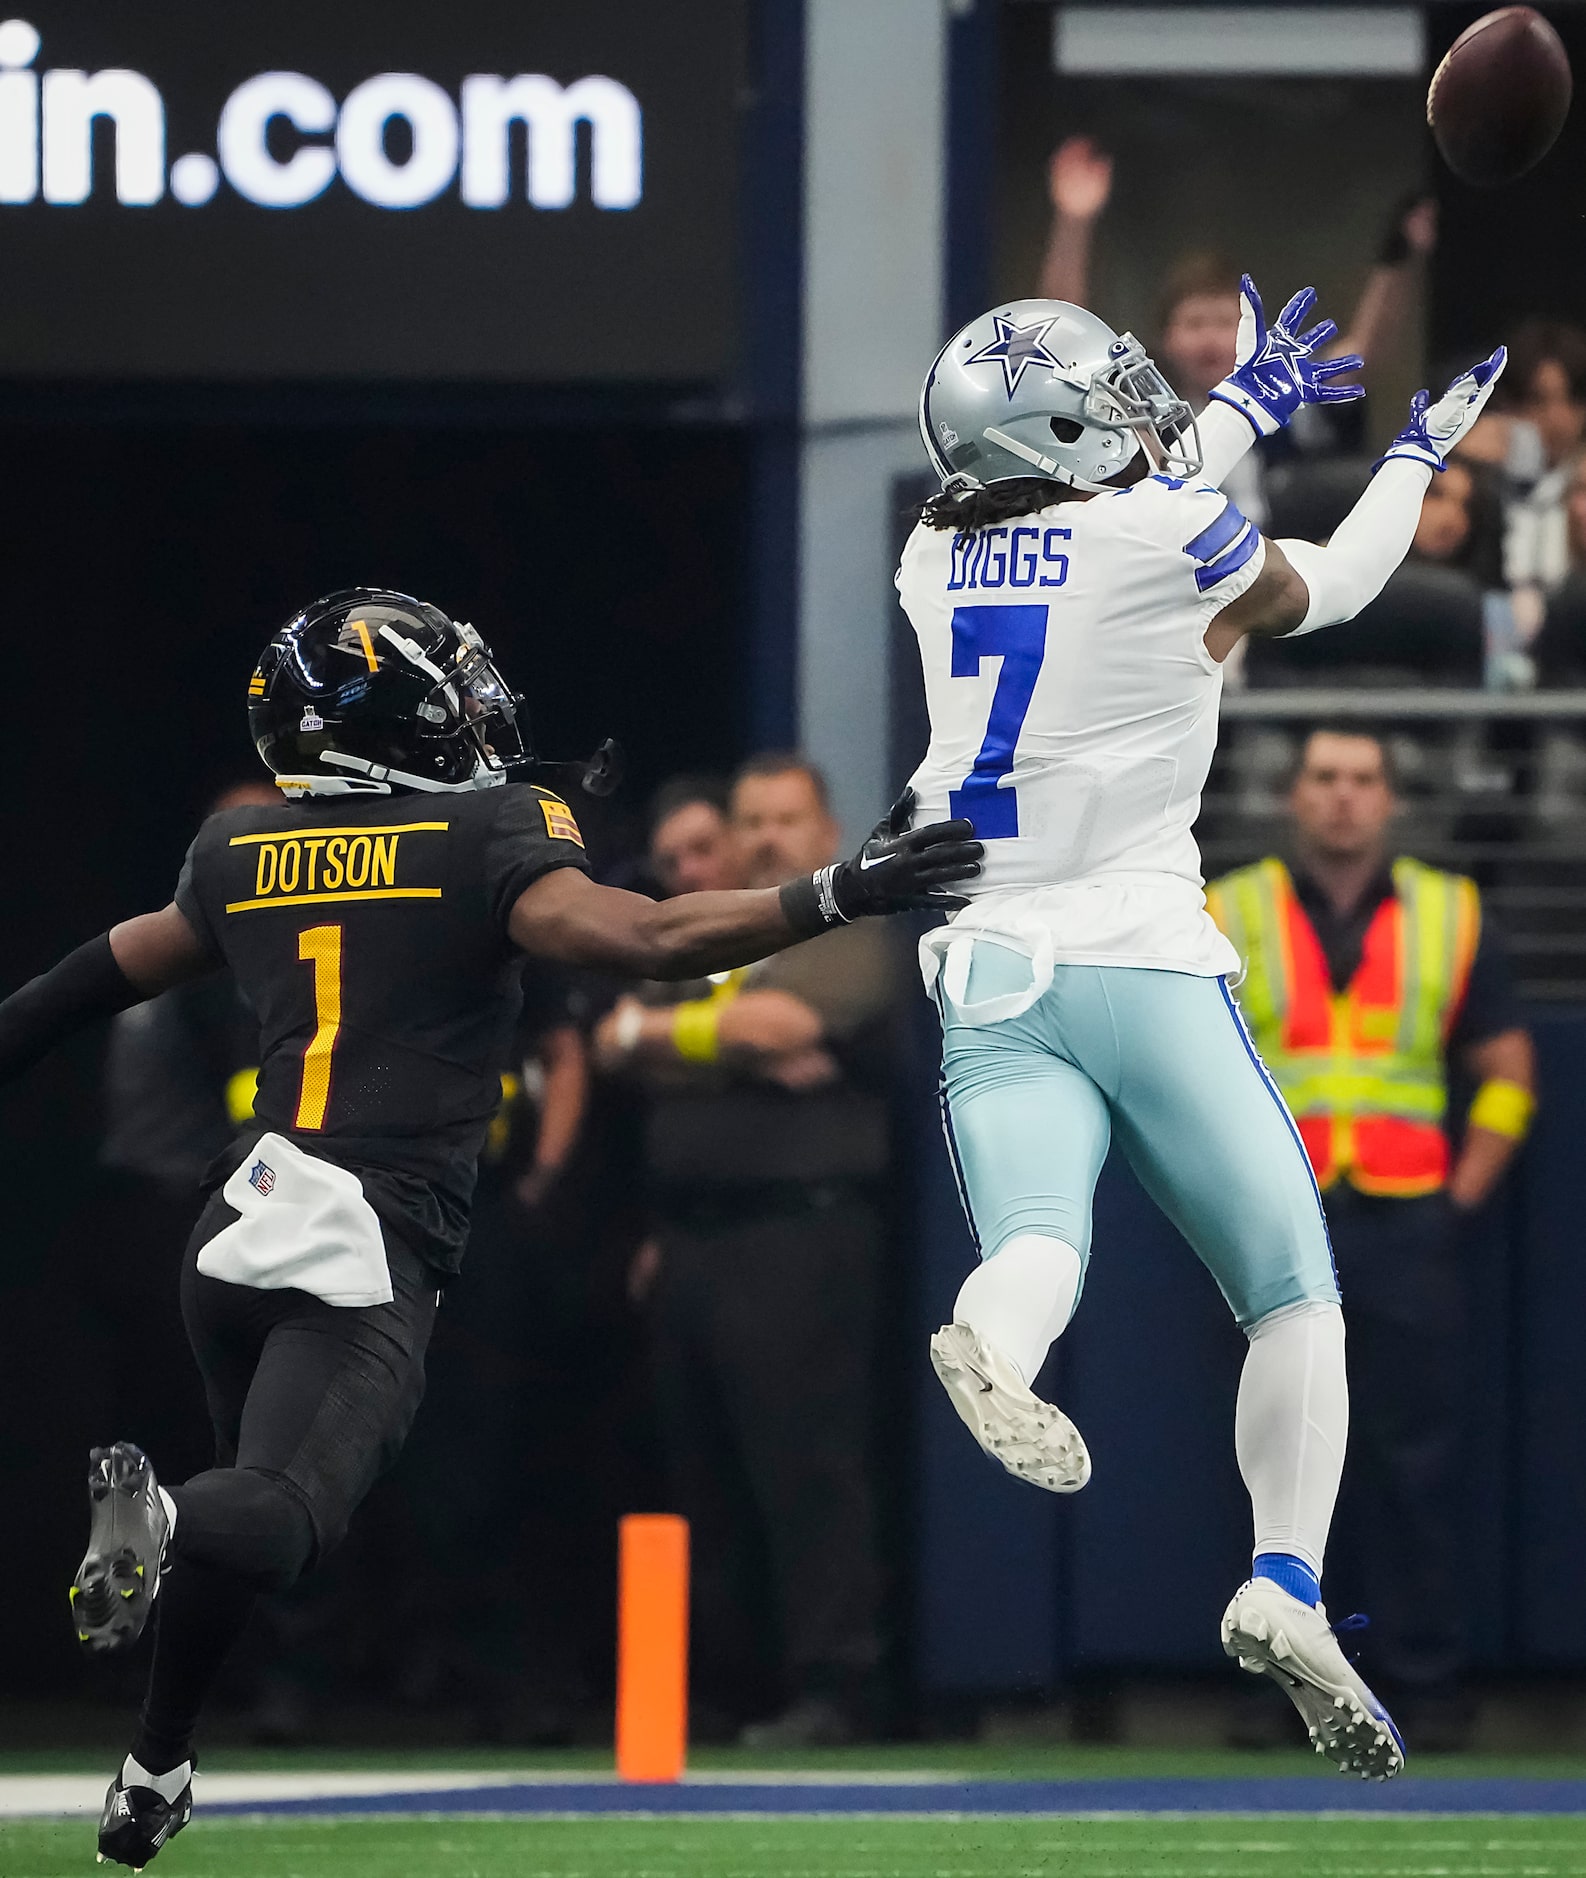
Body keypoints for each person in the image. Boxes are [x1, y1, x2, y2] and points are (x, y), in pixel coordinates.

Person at [0, 588, 981, 1869]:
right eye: (451, 688)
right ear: (400, 719)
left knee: (247, 1497)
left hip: (233, 1223)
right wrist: (835, 891)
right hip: (362, 1228)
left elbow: (79, 984)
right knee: (276, 1518)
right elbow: (647, 936)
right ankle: (165, 1523)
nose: (478, 707)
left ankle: (156, 1762)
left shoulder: (235, 855)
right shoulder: (483, 834)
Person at [902, 276, 1506, 1778]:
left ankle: (991, 1341)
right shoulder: (1163, 536)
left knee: (1037, 1240)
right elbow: (1327, 586)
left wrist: (1240, 405)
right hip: (1142, 956)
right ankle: (1284, 1575)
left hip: (984, 955)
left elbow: (1113, 525)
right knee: (1290, 1294)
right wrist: (1413, 455)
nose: (1133, 407)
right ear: (1049, 417)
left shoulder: (930, 549)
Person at [1205, 726, 1535, 1743]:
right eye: (1321, 779)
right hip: (1274, 1232)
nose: (1340, 797)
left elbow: (1508, 1075)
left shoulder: (1448, 912)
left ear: (1387, 799)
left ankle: (1421, 1687)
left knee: (1411, 1465)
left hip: (1403, 1227)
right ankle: (1285, 1692)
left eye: (1359, 779)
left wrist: (1457, 1199)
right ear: (1292, 797)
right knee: (1277, 1468)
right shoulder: (1231, 908)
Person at [595, 757, 901, 1745]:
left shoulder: (848, 926)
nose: (767, 837)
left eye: (787, 821)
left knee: (804, 1468)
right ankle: (722, 1691)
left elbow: (789, 1021)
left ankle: (834, 1687)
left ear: (824, 833)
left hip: (799, 1232)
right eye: (751, 821)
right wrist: (724, 1042)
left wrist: (667, 1032)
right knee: (700, 1478)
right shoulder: (704, 940)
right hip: (687, 1240)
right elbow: (613, 1039)